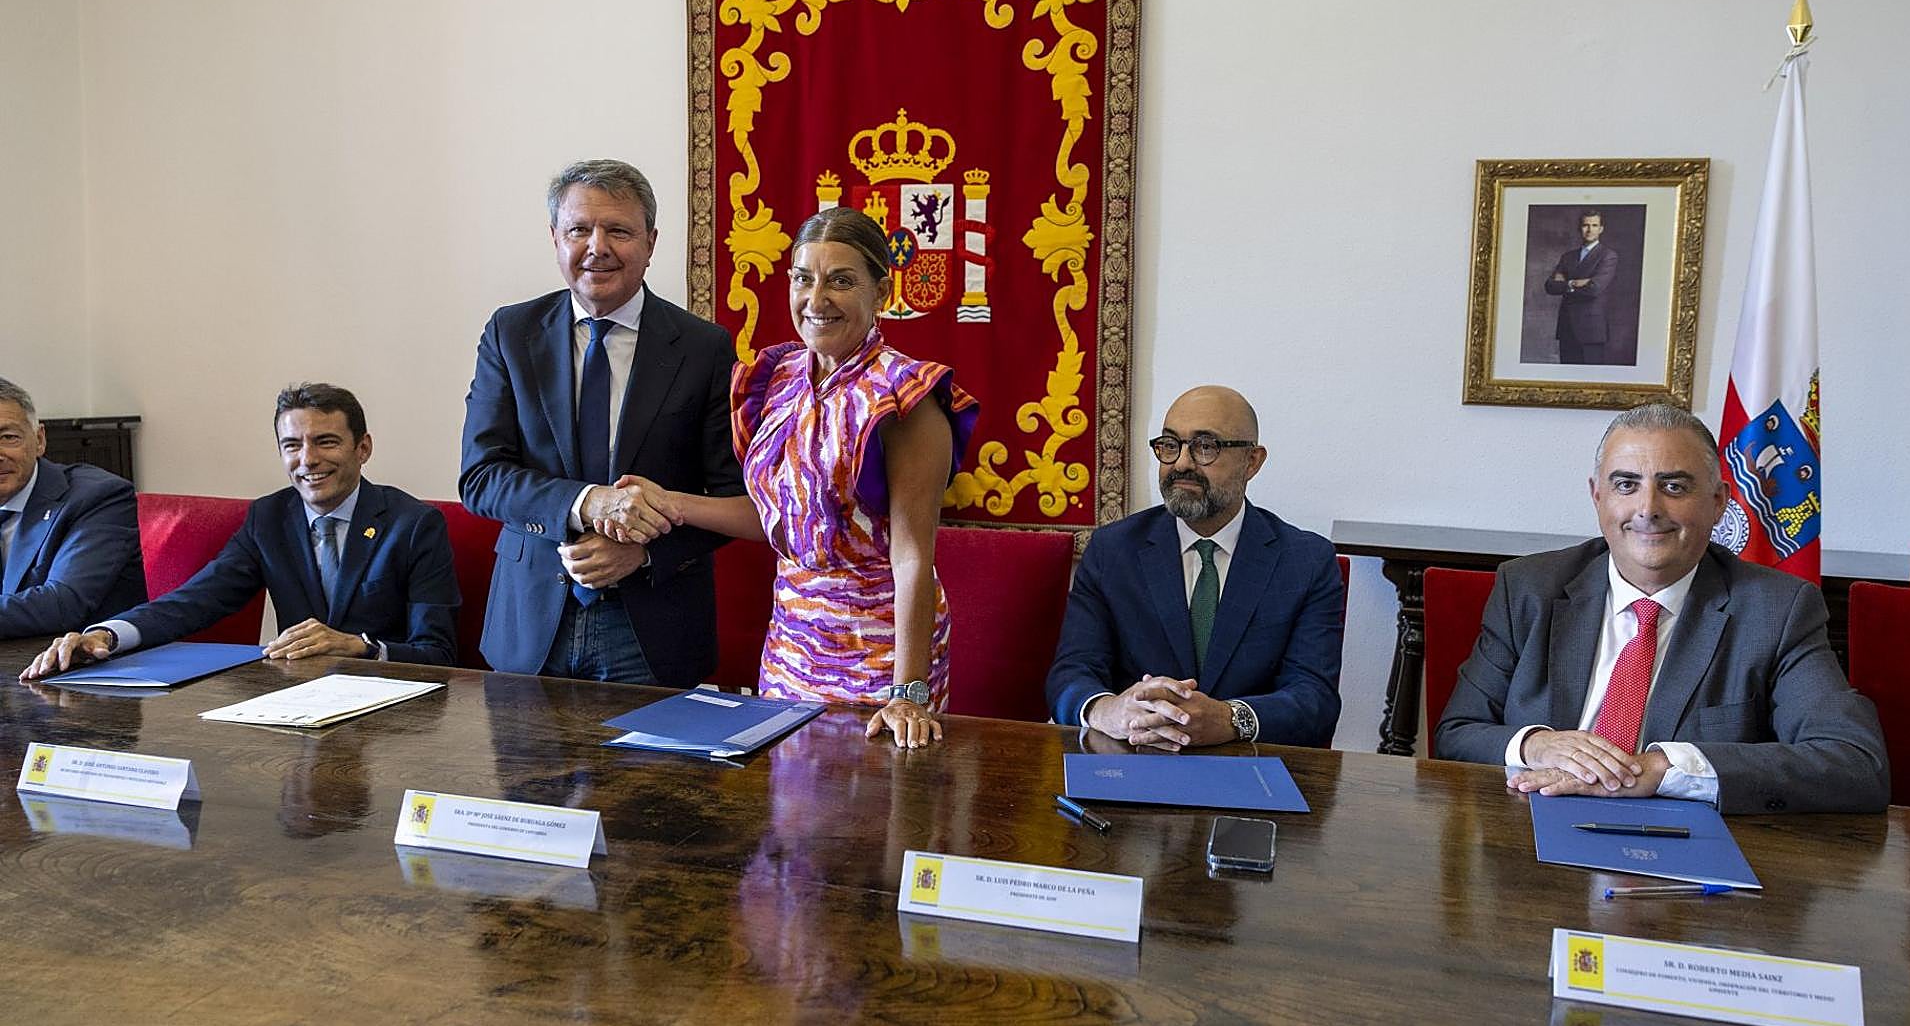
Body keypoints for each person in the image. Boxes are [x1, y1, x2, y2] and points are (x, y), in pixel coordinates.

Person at [604, 208, 977, 749]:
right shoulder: (777, 379)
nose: (816, 299)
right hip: (790, 644)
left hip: (881, 653)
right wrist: (673, 503)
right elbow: (781, 519)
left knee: (876, 796)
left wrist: (908, 692)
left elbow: (912, 556)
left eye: (841, 281)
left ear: (881, 291)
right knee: (792, 796)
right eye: (803, 279)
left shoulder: (906, 397)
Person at [1434, 402, 1889, 813]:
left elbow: (1855, 762)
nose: (1648, 508)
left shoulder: (1776, 610)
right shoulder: (1529, 588)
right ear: (1598, 497)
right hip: (1534, 828)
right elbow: (1457, 732)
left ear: (1718, 503)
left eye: (1673, 486)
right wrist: (1536, 745)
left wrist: (1666, 768)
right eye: (1626, 485)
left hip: (1687, 849)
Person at [459, 159, 744, 685]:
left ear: (651, 242)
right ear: (555, 238)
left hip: (653, 627)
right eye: (579, 230)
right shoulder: (511, 333)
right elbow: (481, 478)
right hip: (531, 621)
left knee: (650, 747)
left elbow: (731, 497)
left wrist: (644, 553)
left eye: (619, 230)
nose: (598, 247)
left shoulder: (704, 347)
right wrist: (586, 502)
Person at [21, 383, 458, 678]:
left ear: (363, 448)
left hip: (392, 707)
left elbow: (438, 652)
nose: (308, 459)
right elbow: (192, 602)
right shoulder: (269, 518)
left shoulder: (413, 525)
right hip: (299, 701)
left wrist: (359, 646)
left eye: (326, 441)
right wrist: (106, 635)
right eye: (292, 445)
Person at [1044, 386, 1344, 749]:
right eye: (1170, 445)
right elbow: (1072, 672)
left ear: (1252, 461)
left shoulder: (1306, 561)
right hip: (1134, 756)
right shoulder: (1113, 549)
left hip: (1249, 765)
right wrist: (1107, 710)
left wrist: (1231, 718)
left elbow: (1315, 699)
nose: (1182, 463)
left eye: (1205, 446)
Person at [0, 377, 147, 638]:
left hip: (82, 657)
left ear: (39, 440)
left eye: (8, 437)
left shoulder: (97, 497)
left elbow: (62, 604)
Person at [1544, 210, 1618, 364]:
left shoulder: (1608, 255)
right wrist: (1573, 283)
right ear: (1580, 228)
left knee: (1591, 376)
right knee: (1566, 375)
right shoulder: (1568, 257)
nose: (1589, 230)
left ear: (1601, 229)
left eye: (1594, 225)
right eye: (1585, 225)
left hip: (1591, 330)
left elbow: (1594, 289)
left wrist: (1565, 284)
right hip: (1567, 327)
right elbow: (1550, 286)